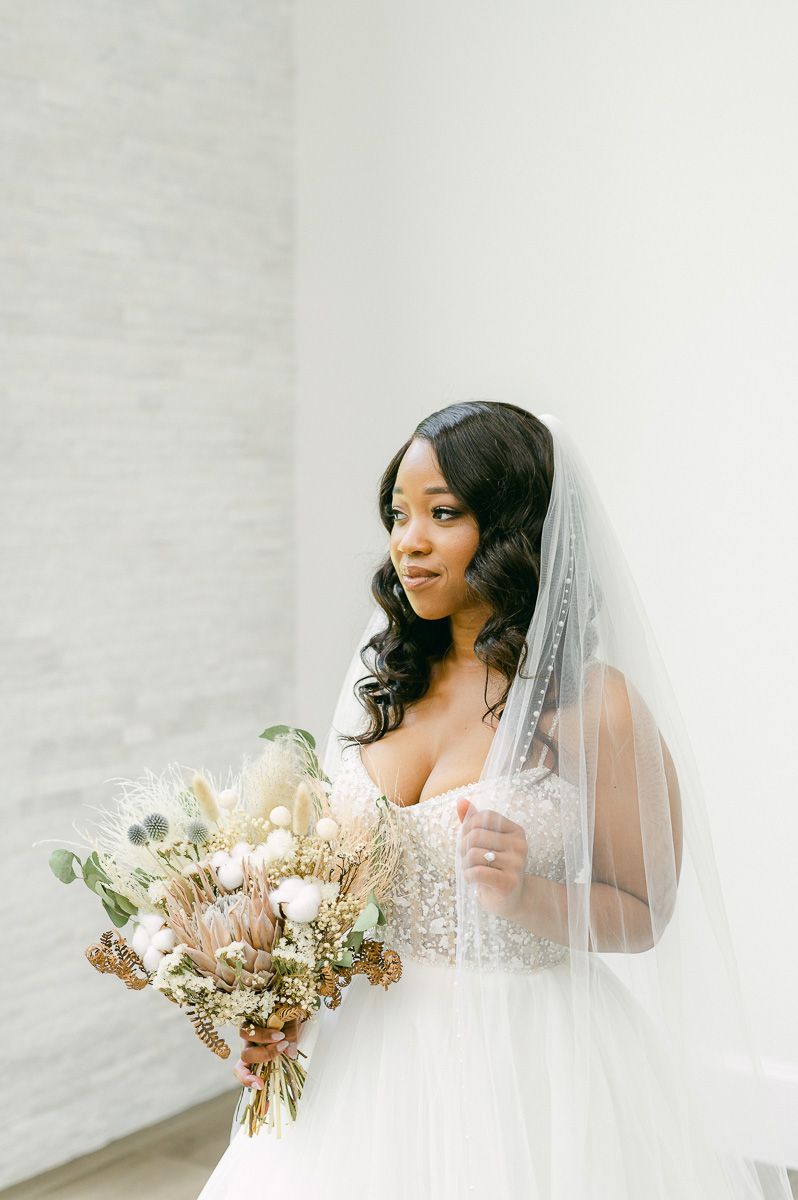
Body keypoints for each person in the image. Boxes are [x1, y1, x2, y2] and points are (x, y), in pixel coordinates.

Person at [197, 403, 793, 1198]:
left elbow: (646, 913)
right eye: (399, 514)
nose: (409, 541)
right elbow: (337, 895)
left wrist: (523, 894)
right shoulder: (387, 685)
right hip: (358, 1056)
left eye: (443, 513)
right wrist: (285, 1005)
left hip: (520, 1062)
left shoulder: (594, 707)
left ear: (513, 528)